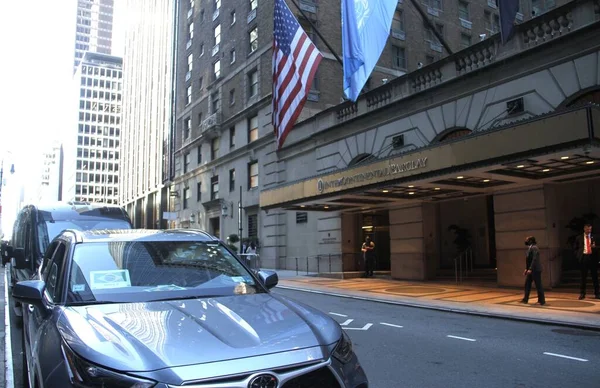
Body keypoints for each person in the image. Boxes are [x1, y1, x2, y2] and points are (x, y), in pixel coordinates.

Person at [573, 223, 599, 300]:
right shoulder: (579, 237)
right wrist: (578, 255)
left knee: (595, 277)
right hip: (584, 258)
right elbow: (575, 248)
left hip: (592, 258)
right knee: (583, 277)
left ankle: (597, 293)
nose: (589, 230)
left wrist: (595, 247)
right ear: (584, 229)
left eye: (590, 229)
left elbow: (598, 247)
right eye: (588, 229)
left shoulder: (595, 237)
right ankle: (582, 293)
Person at [521, 236, 545, 305]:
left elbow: (534, 259)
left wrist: (530, 269)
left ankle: (542, 301)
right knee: (527, 284)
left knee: (538, 285)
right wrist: (526, 268)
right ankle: (525, 299)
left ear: (531, 241)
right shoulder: (530, 248)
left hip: (535, 270)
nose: (526, 241)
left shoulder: (534, 248)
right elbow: (528, 260)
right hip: (531, 270)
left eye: (527, 240)